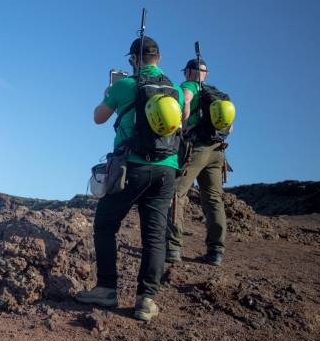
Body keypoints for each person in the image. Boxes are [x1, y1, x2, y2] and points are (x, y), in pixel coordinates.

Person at [76, 36, 183, 321]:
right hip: (166, 170)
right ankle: (146, 301)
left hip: (130, 169)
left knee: (105, 225)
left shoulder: (123, 85)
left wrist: (109, 91)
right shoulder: (175, 91)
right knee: (154, 236)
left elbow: (98, 117)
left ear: (134, 60)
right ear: (158, 58)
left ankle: (107, 289)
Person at [166, 59, 230, 266]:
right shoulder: (217, 95)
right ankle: (216, 251)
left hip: (196, 149)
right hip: (218, 151)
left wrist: (183, 125)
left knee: (177, 194)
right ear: (206, 74)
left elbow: (185, 99)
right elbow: (231, 127)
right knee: (213, 199)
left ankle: (173, 248)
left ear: (188, 73)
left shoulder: (188, 86)